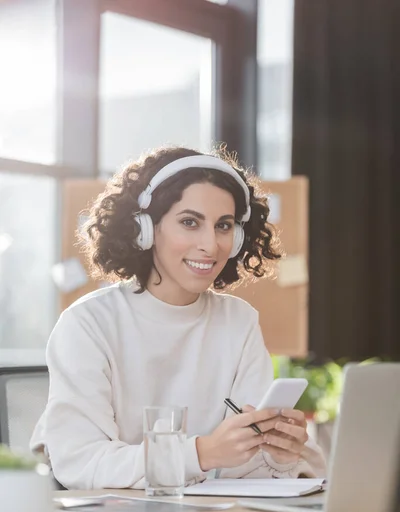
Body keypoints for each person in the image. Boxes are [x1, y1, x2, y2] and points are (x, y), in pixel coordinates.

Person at [30, 146, 325, 489]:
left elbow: (245, 464)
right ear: (145, 228)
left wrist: (280, 453)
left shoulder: (238, 321)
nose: (211, 245)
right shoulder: (88, 323)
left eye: (224, 226)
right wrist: (200, 454)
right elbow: (82, 463)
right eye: (189, 222)